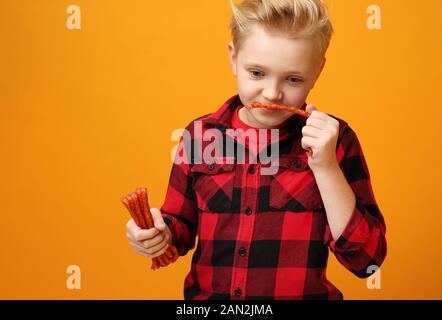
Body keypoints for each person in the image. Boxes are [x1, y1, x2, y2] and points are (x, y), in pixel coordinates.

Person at [126, 0, 387, 300]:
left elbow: (367, 262)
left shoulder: (336, 142)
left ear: (317, 72)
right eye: (257, 73)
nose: (272, 92)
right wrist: (157, 235)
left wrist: (326, 167)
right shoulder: (199, 136)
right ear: (234, 58)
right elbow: (179, 226)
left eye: (293, 79)